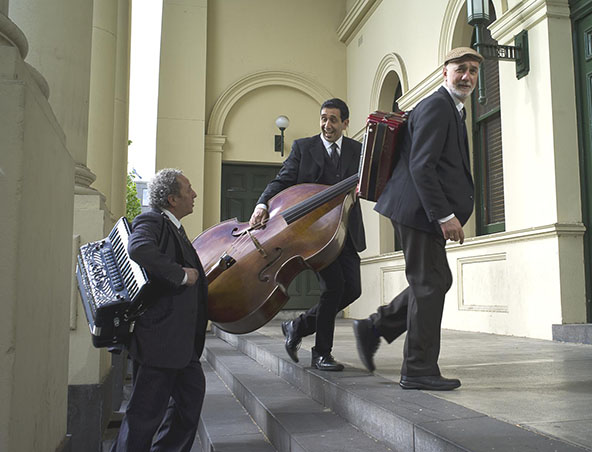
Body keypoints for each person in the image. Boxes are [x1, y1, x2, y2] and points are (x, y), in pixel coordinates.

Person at [353, 47, 483, 391]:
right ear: (445, 71)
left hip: (418, 210)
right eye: (461, 69)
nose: (467, 76)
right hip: (419, 211)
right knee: (429, 285)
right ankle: (418, 369)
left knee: (436, 281)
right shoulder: (438, 106)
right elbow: (421, 166)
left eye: (472, 71)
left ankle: (376, 326)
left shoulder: (451, 109)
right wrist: (445, 216)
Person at [249, 98, 366, 371]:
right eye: (323, 118)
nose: (327, 125)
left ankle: (297, 326)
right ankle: (321, 353)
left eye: (333, 119)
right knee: (334, 286)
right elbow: (283, 180)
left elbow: (368, 187)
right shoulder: (304, 148)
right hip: (314, 236)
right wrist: (262, 203)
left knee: (353, 290)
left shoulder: (358, 151)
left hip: (346, 231)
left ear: (345, 123)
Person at [112, 168, 208, 451]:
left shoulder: (175, 227)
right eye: (188, 189)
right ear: (171, 199)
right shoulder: (152, 220)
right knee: (143, 417)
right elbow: (138, 247)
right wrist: (180, 274)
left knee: (188, 406)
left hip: (182, 345)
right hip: (160, 341)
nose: (194, 194)